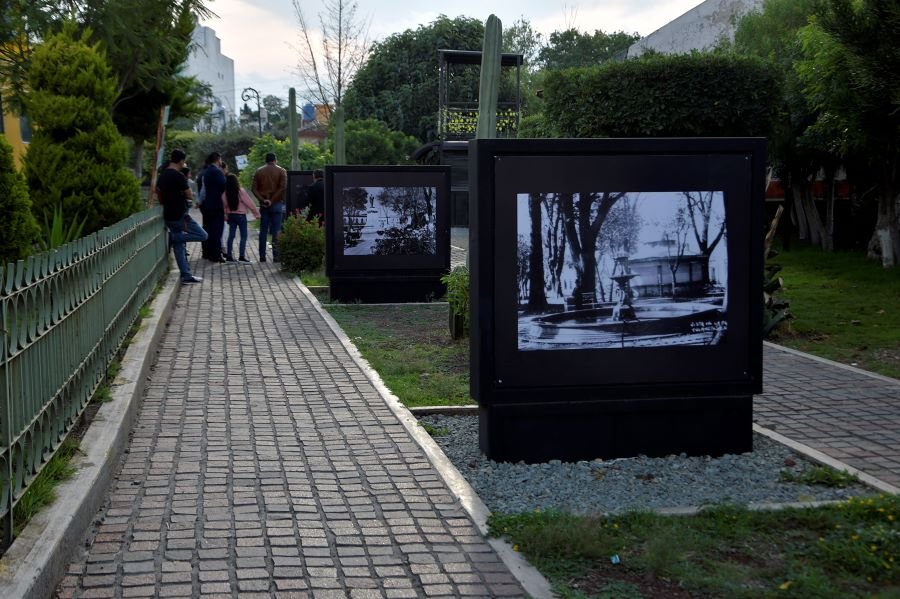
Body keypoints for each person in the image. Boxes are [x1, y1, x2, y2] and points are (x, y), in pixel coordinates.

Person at [158, 149, 207, 283]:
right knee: (202, 235)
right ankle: (173, 238)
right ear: (181, 161)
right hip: (180, 213)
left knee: (179, 247)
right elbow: (189, 194)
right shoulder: (178, 176)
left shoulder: (162, 176)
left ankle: (186, 274)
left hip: (168, 213)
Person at [252, 152, 287, 262]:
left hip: (264, 205)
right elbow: (283, 187)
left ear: (266, 160)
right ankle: (276, 256)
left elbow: (254, 189)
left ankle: (262, 256)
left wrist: (263, 200)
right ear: (275, 160)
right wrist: (272, 200)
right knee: (276, 230)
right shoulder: (282, 171)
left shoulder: (259, 171)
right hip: (276, 204)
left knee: (263, 230)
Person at [222, 173, 260, 263]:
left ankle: (229, 257)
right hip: (241, 216)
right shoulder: (240, 191)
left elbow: (224, 206)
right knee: (243, 236)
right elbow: (250, 203)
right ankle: (241, 257)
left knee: (231, 236)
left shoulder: (224, 194)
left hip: (231, 216)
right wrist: (256, 214)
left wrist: (226, 215)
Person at [200, 152, 227, 262]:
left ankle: (209, 253)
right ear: (217, 159)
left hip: (208, 205)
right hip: (217, 205)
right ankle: (216, 254)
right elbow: (224, 186)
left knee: (210, 229)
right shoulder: (217, 172)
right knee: (217, 230)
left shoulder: (206, 172)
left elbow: (204, 190)